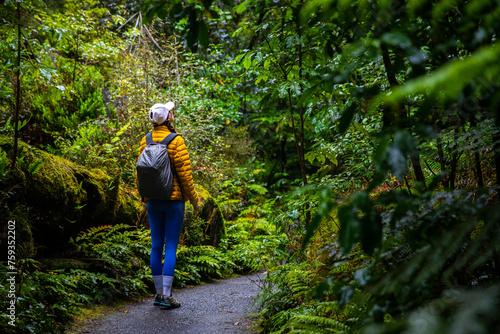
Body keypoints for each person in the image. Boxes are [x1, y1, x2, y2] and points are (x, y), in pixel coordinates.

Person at [138, 102, 199, 309]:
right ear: (169, 117)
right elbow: (185, 176)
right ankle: (167, 296)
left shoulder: (144, 141)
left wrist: (143, 198)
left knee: (156, 245)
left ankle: (157, 294)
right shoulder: (176, 141)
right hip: (174, 203)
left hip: (153, 201)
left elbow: (141, 173)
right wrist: (194, 199)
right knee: (171, 246)